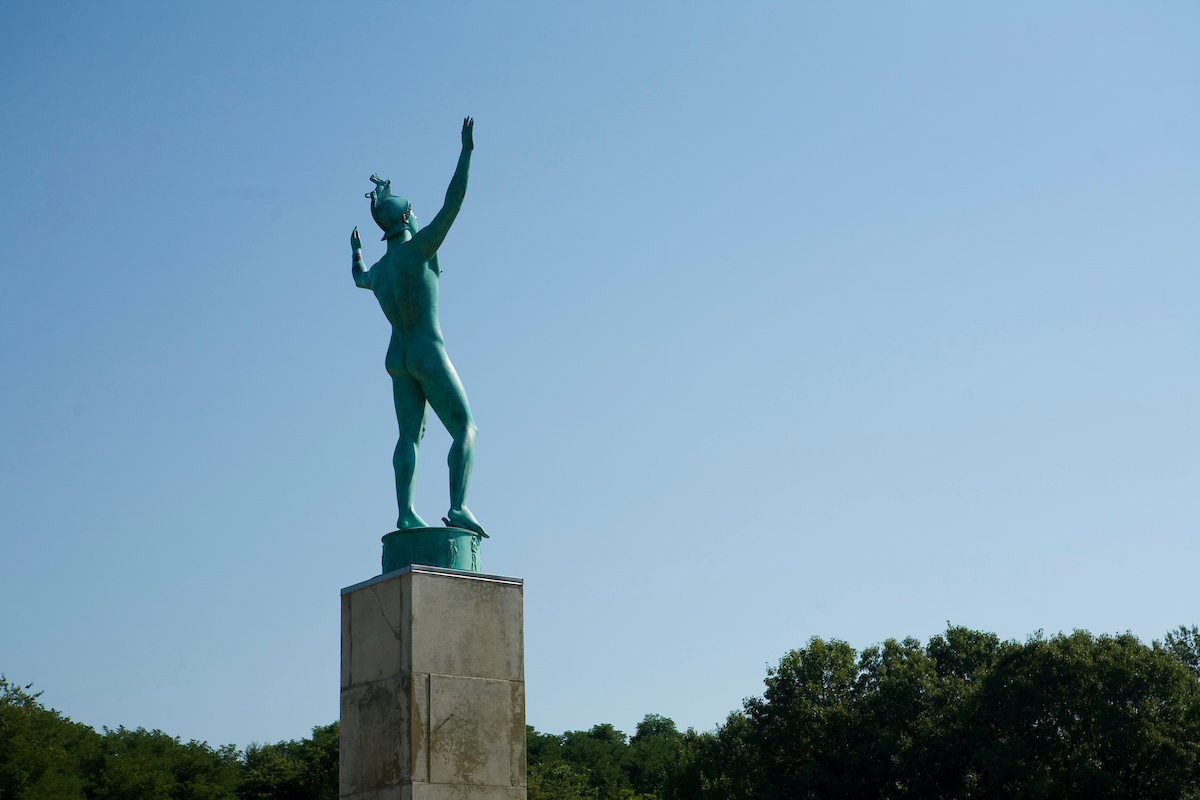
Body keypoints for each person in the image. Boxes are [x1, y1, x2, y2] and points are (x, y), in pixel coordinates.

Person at [350, 117, 484, 535]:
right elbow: (454, 200)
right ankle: (458, 506)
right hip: (427, 350)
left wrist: (355, 251)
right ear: (408, 215)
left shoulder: (380, 270)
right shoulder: (422, 248)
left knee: (409, 436)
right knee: (464, 427)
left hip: (397, 357)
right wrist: (466, 151)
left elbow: (358, 278)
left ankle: (405, 511)